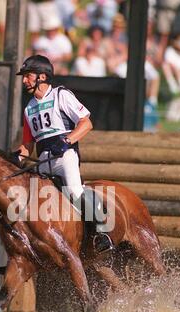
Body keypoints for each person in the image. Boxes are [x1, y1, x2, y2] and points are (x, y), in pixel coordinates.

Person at [15, 55, 114, 254]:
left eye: (27, 76)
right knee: (34, 201)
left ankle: (101, 235)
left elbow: (86, 123)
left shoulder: (61, 95)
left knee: (75, 193)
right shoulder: (28, 108)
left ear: (42, 77)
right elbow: (27, 145)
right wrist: (14, 158)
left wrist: (67, 140)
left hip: (64, 156)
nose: (24, 80)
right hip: (43, 160)